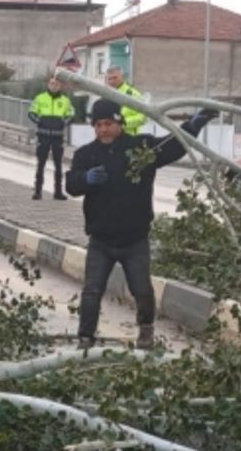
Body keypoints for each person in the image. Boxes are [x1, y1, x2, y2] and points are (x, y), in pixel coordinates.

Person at [65, 99, 217, 350]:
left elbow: (171, 147)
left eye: (109, 123)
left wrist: (193, 125)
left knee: (142, 291)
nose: (104, 129)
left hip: (134, 240)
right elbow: (70, 185)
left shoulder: (140, 148)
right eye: (99, 125)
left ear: (120, 123)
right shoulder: (86, 155)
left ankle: (145, 330)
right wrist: (85, 179)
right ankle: (85, 337)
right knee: (92, 291)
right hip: (100, 241)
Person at [28, 76, 74, 200]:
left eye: (56, 84)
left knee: (58, 165)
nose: (54, 86)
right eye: (52, 84)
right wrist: (40, 122)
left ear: (60, 86)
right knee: (40, 164)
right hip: (43, 136)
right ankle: (37, 191)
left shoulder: (65, 100)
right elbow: (31, 113)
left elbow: (71, 114)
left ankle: (58, 192)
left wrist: (63, 123)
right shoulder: (40, 98)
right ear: (48, 85)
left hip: (57, 137)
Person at [104, 66, 147, 136]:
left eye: (115, 78)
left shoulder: (133, 95)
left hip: (130, 140)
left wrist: (122, 123)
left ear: (122, 77)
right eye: (109, 79)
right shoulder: (105, 97)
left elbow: (143, 118)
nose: (112, 81)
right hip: (110, 140)